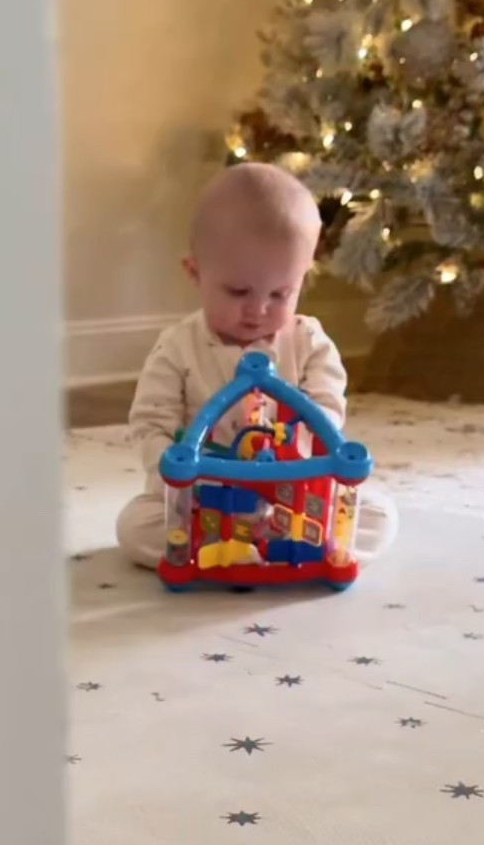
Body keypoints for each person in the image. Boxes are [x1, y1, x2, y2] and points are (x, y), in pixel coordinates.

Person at [116, 163, 397, 568]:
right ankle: (225, 548)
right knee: (134, 526)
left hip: (293, 494)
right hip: (203, 498)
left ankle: (282, 547)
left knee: (377, 514)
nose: (258, 309)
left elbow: (327, 413)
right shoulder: (177, 347)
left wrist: (295, 462)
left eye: (280, 293)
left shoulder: (310, 343)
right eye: (238, 291)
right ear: (195, 273)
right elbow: (150, 422)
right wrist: (179, 474)